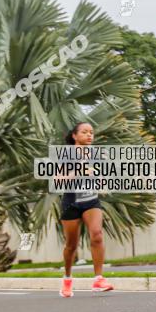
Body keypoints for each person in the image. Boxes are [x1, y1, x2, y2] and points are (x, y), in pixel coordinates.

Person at [59, 122, 114, 297]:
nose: (89, 135)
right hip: (71, 202)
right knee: (71, 245)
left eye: (91, 132)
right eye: (84, 132)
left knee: (97, 234)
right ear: (75, 136)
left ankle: (98, 279)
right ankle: (67, 278)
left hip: (91, 200)